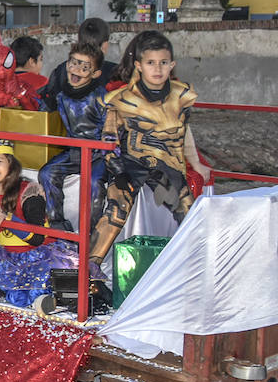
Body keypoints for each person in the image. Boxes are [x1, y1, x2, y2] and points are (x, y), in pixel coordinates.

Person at [89, 31, 211, 263]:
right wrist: (119, 171)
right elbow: (108, 141)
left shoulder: (177, 96)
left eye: (162, 63)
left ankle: (200, 263)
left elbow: (183, 133)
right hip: (129, 163)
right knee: (117, 206)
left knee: (187, 208)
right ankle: (90, 267)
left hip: (165, 164)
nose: (157, 68)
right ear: (139, 64)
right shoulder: (120, 97)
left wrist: (192, 163)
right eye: (151, 62)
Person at [0, 140, 102, 312]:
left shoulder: (29, 192)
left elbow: (36, 239)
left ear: (10, 164)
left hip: (36, 256)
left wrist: (9, 221)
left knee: (49, 278)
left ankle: (15, 293)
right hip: (8, 256)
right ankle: (5, 293)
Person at [38, 42, 109, 231]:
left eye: (84, 67)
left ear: (95, 74)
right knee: (47, 173)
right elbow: (43, 110)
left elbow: (111, 130)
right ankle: (58, 227)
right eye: (73, 63)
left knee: (95, 185)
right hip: (74, 151)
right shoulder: (62, 96)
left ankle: (90, 234)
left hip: (98, 154)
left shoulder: (101, 97)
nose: (76, 69)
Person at [40, 18, 116, 112]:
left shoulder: (61, 70)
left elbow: (50, 103)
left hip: (64, 125)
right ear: (105, 45)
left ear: (79, 39)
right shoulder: (115, 72)